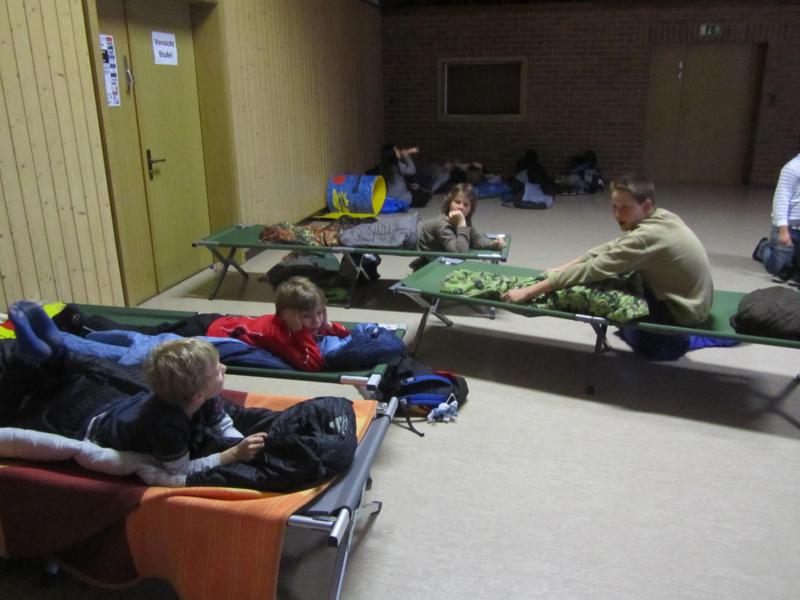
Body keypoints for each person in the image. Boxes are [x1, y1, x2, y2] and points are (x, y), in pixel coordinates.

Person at [0, 302, 266, 476]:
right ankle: (45, 355)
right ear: (197, 395)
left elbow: (221, 421)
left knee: (58, 384)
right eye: (218, 369)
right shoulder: (167, 425)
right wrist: (230, 455)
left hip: (105, 402)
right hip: (88, 417)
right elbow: (178, 472)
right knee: (36, 400)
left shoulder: (203, 397)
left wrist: (237, 441)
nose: (225, 369)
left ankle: (49, 354)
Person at [503, 174, 718, 359]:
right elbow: (612, 247)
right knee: (618, 280)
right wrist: (562, 267)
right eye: (614, 207)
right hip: (695, 300)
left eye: (625, 208)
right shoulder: (662, 216)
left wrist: (529, 291)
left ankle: (682, 340)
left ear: (646, 206)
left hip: (682, 312)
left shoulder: (646, 237)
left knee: (619, 314)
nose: (617, 214)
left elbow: (593, 270)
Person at [61, 277, 350, 372]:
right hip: (203, 331)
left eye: (320, 313)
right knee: (143, 335)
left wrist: (329, 326)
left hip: (215, 321)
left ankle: (81, 323)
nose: (316, 321)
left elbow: (335, 330)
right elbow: (311, 363)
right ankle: (80, 324)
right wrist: (303, 333)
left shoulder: (298, 323)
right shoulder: (280, 333)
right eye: (307, 317)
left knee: (150, 331)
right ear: (288, 317)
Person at [417, 183, 507, 254]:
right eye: (457, 202)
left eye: (466, 205)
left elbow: (476, 239)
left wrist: (492, 243)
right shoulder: (442, 224)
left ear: (471, 208)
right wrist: (461, 225)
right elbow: (459, 253)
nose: (461, 207)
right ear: (449, 203)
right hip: (414, 236)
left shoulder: (463, 219)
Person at [766, 153, 800, 281]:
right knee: (778, 267)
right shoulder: (792, 167)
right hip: (788, 226)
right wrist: (783, 230)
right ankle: (763, 248)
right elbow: (781, 200)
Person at [379, 143, 430, 208]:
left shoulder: (384, 167)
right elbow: (412, 170)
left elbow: (397, 183)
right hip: (401, 198)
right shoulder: (396, 165)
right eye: (396, 150)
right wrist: (406, 156)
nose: (398, 151)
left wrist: (409, 185)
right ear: (391, 154)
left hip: (390, 197)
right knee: (423, 197)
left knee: (419, 191)